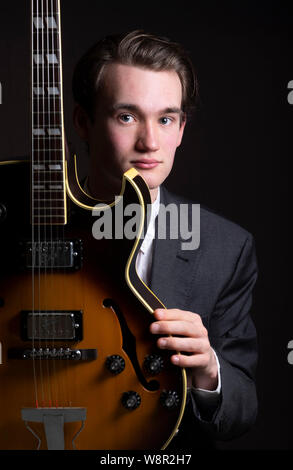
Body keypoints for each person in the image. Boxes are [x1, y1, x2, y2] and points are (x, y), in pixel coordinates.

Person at [72, 30, 258, 449]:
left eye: (165, 118)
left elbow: (242, 409)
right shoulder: (18, 230)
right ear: (84, 121)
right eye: (127, 116)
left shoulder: (226, 248)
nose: (150, 142)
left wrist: (210, 370)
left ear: (181, 129)